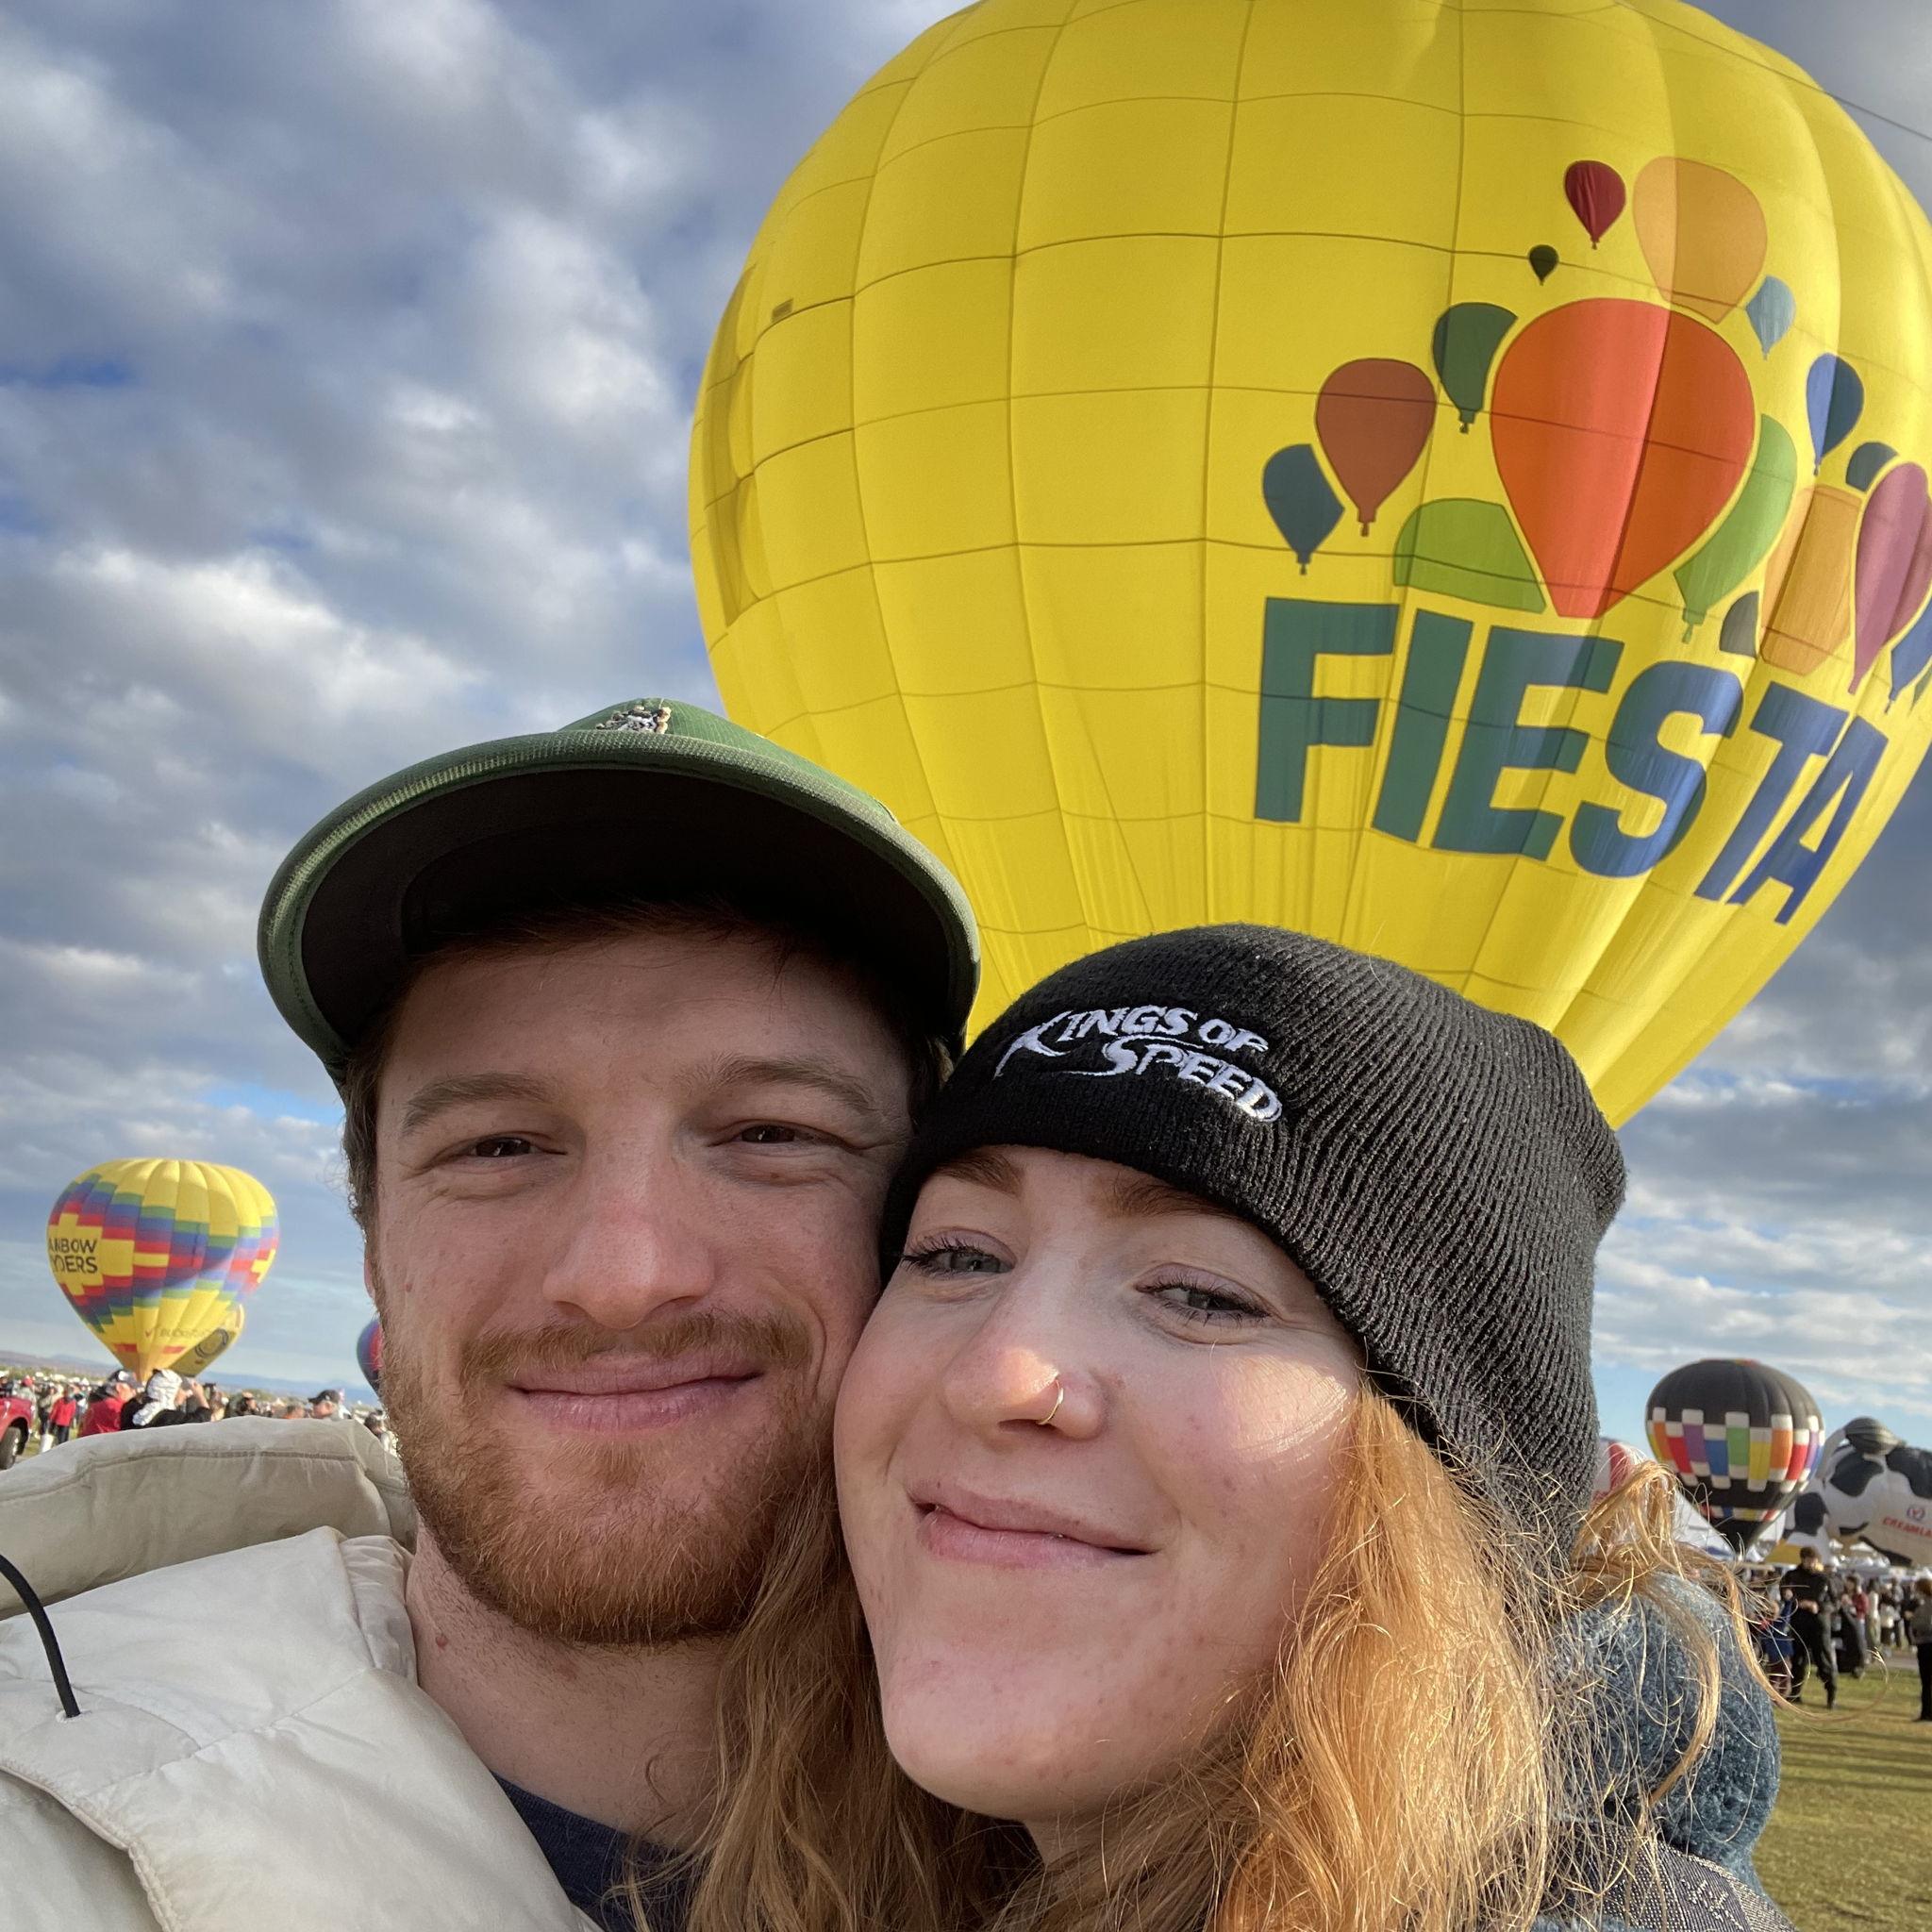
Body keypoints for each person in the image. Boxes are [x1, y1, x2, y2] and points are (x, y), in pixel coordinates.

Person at [0, 696, 976, 1930]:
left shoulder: (1132, 1839)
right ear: (375, 1249)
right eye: (499, 1145)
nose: (624, 1275)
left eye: (773, 1133)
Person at [825, 927, 1791, 1932]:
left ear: (1453, 1490)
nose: (995, 1374)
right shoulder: (825, 1857)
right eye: (957, 1255)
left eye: (1200, 1294)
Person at [1780, 1548, 1838, 1707]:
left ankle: (1831, 1694)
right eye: (1808, 1559)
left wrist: (1819, 1606)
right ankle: (1795, 1693)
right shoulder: (1792, 1576)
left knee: (1823, 1660)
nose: (1811, 1563)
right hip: (1799, 1623)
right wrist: (1796, 1602)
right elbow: (1785, 1594)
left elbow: (1835, 1603)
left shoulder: (1824, 1579)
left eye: (1813, 1560)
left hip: (1819, 1624)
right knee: (1798, 1660)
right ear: (1803, 1559)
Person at [75, 1369, 135, 1437]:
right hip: (106, 1442)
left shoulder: (94, 1404)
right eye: (132, 1388)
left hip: (86, 1441)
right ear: (119, 1388)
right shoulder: (117, 1408)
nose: (134, 1392)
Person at [1909, 1577, 1932, 1721]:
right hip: (1925, 1643)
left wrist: (1913, 1620)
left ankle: (1927, 1713)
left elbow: (1926, 1625)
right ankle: (1926, 1712)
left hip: (1927, 1644)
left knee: (1927, 1681)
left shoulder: (1926, 1605)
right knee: (1927, 1682)